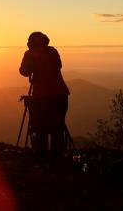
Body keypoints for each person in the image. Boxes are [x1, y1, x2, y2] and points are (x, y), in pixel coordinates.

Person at [19, 31, 70, 166]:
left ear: (31, 43)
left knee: (40, 128)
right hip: (60, 95)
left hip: (42, 97)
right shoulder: (53, 51)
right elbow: (58, 66)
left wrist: (31, 59)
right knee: (57, 128)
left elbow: (24, 71)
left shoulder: (30, 54)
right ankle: (57, 160)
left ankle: (41, 160)